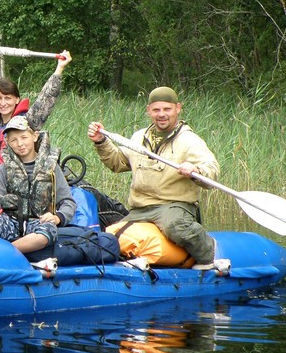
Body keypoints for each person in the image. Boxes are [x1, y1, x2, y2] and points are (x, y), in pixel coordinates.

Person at [86, 86, 225, 270]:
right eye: (156, 110)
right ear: (149, 110)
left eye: (167, 109)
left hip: (174, 205)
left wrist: (196, 170)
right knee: (111, 237)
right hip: (141, 207)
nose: (162, 114)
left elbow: (212, 170)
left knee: (176, 227)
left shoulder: (189, 140)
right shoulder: (138, 137)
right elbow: (117, 163)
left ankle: (208, 254)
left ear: (177, 108)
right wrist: (101, 142)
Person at [0, 47, 72, 167]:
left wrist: (60, 68)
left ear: (17, 99)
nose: (3, 103)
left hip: (11, 180)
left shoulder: (28, 121)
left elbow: (47, 98)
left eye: (8, 98)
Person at [0, 116, 76, 254]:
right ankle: (10, 251)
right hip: (10, 221)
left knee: (46, 234)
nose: (20, 144)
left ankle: (5, 253)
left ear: (34, 136)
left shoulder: (51, 167)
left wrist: (57, 217)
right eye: (14, 140)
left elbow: (68, 202)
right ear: (8, 142)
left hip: (38, 222)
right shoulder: (3, 169)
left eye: (24, 137)